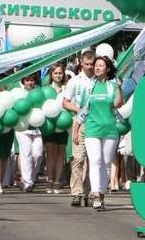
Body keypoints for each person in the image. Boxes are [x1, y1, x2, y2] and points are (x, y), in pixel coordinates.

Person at [76, 55, 123, 211]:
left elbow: (118, 104)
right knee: (95, 160)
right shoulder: (90, 86)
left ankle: (102, 194)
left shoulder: (113, 86)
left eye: (101, 65)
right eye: (95, 65)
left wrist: (120, 89)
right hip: (92, 129)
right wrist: (76, 128)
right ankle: (95, 193)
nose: (96, 68)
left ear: (108, 69)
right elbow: (84, 108)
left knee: (106, 163)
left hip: (110, 129)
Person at [62, 50, 95, 207]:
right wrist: (78, 109)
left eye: (92, 64)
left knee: (92, 160)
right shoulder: (75, 81)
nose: (89, 67)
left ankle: (88, 192)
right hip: (79, 123)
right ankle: (76, 192)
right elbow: (65, 102)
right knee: (78, 159)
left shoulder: (100, 81)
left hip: (96, 123)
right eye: (87, 64)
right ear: (81, 63)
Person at [15, 73, 44, 193]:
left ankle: (32, 177)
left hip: (37, 128)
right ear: (23, 81)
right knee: (26, 153)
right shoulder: (19, 93)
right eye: (27, 80)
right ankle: (27, 183)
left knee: (38, 154)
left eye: (32, 80)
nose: (29, 83)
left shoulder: (39, 92)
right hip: (22, 128)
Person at [43, 63, 68, 193]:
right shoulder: (47, 89)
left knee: (61, 153)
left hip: (63, 124)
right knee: (50, 154)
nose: (58, 75)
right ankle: (50, 180)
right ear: (51, 75)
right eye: (55, 73)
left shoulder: (67, 88)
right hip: (50, 125)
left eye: (60, 73)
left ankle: (58, 180)